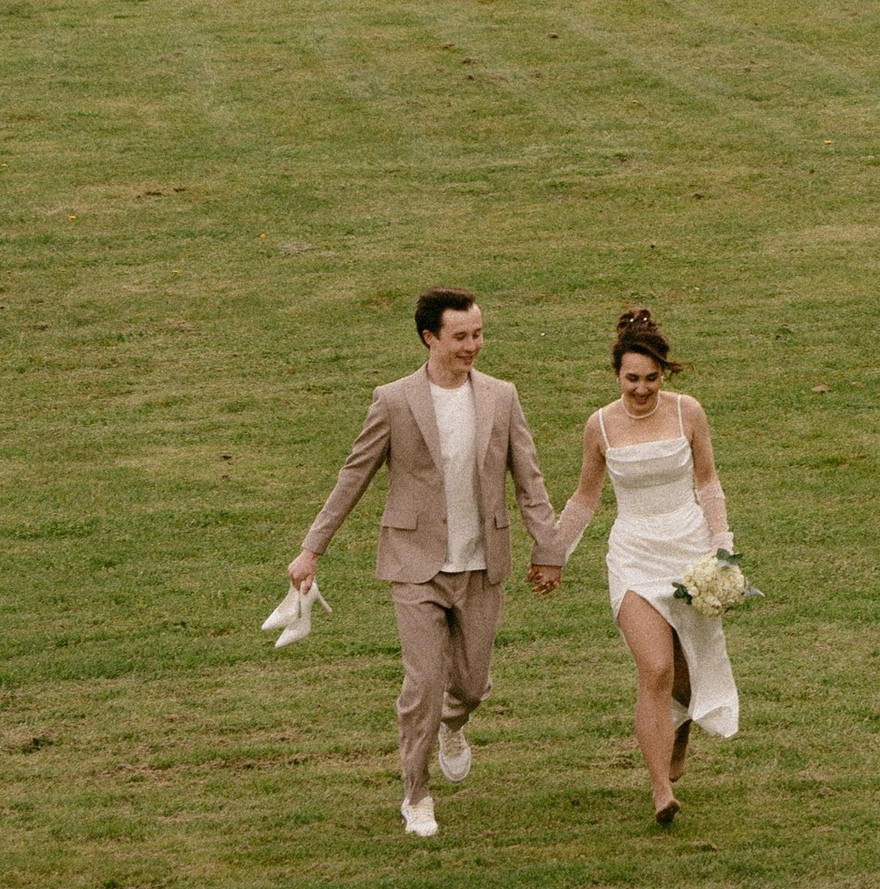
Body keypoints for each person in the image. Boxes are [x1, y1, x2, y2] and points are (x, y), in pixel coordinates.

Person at [288, 289, 563, 840]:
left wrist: (548, 550)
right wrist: (312, 547)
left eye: (478, 334)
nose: (473, 346)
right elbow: (353, 475)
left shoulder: (502, 397)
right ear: (429, 338)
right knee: (423, 684)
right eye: (461, 337)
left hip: (483, 563)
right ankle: (416, 795)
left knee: (471, 683)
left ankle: (453, 727)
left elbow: (528, 480)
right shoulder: (393, 400)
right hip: (414, 565)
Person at [549, 306, 742, 827]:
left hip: (688, 549)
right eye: (631, 379)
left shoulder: (688, 413)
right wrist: (553, 554)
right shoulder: (600, 426)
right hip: (633, 554)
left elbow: (708, 483)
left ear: (664, 373)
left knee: (686, 677)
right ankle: (660, 789)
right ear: (617, 375)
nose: (641, 389)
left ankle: (680, 726)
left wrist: (722, 550)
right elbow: (586, 498)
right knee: (654, 669)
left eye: (651, 378)